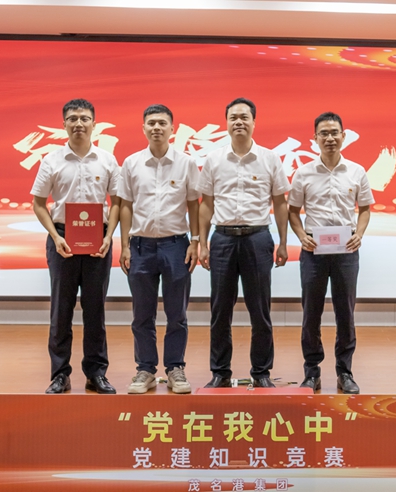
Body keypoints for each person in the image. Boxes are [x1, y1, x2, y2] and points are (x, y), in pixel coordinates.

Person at [197, 97, 290, 388]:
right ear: (226, 123)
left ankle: (261, 373)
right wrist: (202, 243)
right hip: (223, 239)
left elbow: (280, 202)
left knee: (260, 311)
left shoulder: (269, 158)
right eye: (233, 118)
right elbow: (206, 204)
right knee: (219, 311)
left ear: (253, 122)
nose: (239, 122)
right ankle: (220, 372)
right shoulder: (214, 159)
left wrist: (283, 242)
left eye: (244, 117)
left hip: (257, 239)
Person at [30, 98, 120, 395]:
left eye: (84, 118)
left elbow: (117, 202)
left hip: (98, 244)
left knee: (95, 311)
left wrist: (109, 236)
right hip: (62, 242)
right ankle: (60, 375)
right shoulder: (51, 161)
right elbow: (38, 203)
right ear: (64, 124)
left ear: (94, 123)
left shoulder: (107, 160)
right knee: (61, 311)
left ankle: (96, 374)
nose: (78, 123)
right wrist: (55, 237)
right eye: (72, 119)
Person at [288, 112, 374, 394]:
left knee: (345, 314)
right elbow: (293, 211)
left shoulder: (356, 171)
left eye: (334, 132)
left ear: (343, 136)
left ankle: (344, 372)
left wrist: (359, 234)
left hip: (346, 251)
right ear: (315, 138)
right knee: (311, 313)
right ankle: (311, 372)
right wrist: (301, 236)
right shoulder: (304, 173)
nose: (329, 138)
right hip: (314, 251)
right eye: (323, 133)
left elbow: (365, 209)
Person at [118, 104, 200, 395]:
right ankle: (145, 370)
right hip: (140, 246)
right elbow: (125, 205)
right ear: (143, 128)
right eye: (151, 123)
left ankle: (175, 368)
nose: (156, 128)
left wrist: (195, 240)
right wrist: (124, 245)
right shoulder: (131, 163)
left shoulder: (186, 163)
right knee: (142, 314)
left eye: (162, 123)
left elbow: (193, 204)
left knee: (177, 313)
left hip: (176, 246)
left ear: (172, 128)